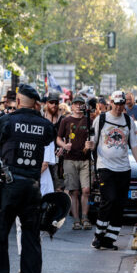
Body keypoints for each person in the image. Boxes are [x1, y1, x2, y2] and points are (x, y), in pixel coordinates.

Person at [0, 84, 55, 273]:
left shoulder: (8, 120)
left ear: (18, 101)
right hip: (32, 186)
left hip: (9, 185)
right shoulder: (44, 124)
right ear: (36, 103)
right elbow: (49, 137)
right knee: (31, 239)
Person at [85, 91, 137, 251]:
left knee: (119, 204)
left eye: (121, 103)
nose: (118, 107)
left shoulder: (128, 121)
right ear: (111, 102)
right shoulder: (101, 119)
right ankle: (98, 235)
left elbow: (134, 144)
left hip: (123, 168)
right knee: (108, 200)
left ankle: (110, 239)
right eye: (116, 103)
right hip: (105, 166)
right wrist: (88, 145)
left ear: (125, 103)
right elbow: (93, 141)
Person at [56, 96, 92, 230]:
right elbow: (58, 138)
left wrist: (91, 144)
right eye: (76, 104)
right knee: (74, 191)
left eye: (81, 104)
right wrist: (64, 146)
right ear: (72, 106)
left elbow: (94, 138)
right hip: (69, 160)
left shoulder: (89, 120)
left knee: (86, 190)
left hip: (85, 160)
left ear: (84, 106)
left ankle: (85, 217)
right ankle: (76, 220)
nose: (78, 106)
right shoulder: (66, 120)